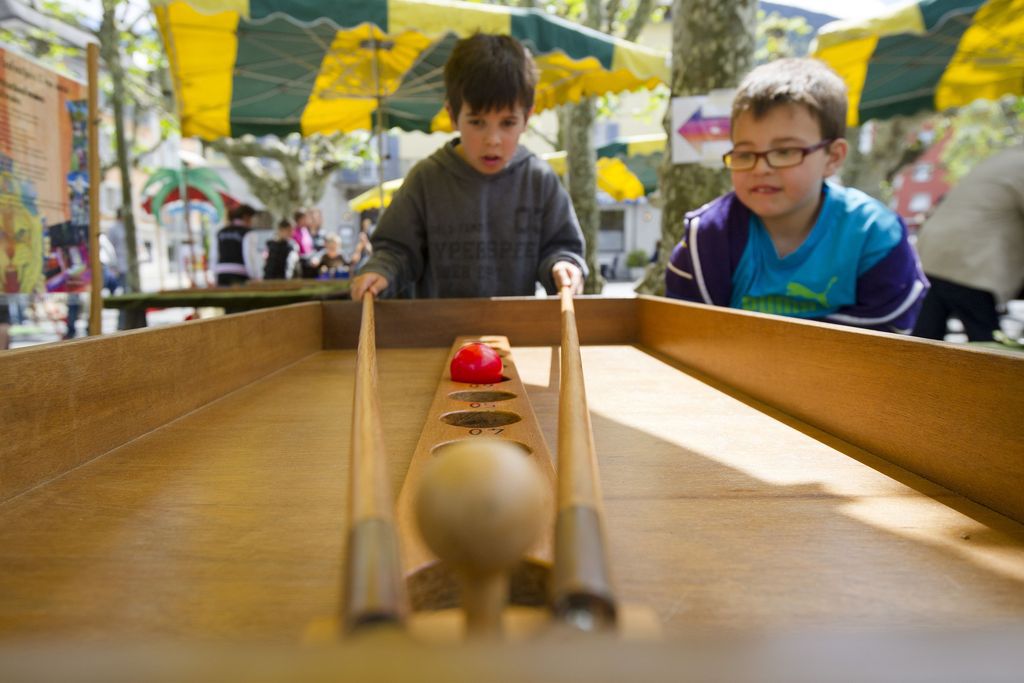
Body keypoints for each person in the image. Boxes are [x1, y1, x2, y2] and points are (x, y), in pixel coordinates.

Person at [665, 58, 928, 333]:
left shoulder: (875, 234)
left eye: (785, 152)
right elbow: (689, 333)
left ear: (833, 157)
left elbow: (887, 337)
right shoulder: (706, 236)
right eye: (744, 154)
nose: (761, 168)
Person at [350, 33, 586, 301]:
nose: (493, 140)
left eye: (507, 123)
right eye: (477, 122)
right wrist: (381, 271)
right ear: (452, 116)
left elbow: (561, 247)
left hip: (515, 334)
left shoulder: (540, 180)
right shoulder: (426, 179)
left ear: (527, 118)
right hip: (437, 335)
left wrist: (564, 266)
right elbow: (395, 250)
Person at [912, 144, 1024, 342]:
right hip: (970, 261)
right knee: (985, 348)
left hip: (934, 252)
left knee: (924, 340)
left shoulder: (1003, 157)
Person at [214, 204, 257, 286]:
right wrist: (254, 276)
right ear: (246, 217)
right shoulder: (247, 233)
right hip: (239, 274)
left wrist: (215, 275)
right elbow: (249, 257)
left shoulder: (220, 232)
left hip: (221, 274)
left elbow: (214, 255)